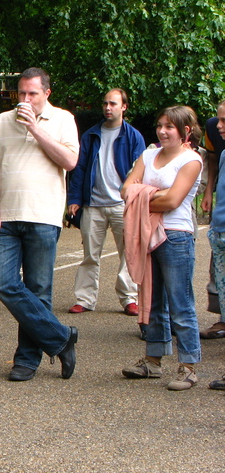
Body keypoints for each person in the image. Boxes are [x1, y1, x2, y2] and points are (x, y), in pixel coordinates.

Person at [0, 67, 79, 382]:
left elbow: (69, 161)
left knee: (39, 290)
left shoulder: (63, 119)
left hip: (43, 216)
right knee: (4, 283)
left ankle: (26, 360)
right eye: (20, 93)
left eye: (32, 94)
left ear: (46, 93)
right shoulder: (2, 121)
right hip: (6, 217)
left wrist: (36, 129)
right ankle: (61, 338)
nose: (24, 99)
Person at [121, 106, 203, 390]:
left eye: (170, 126)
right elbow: (125, 188)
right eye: (160, 125)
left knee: (180, 303)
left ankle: (189, 366)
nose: (162, 131)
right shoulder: (148, 154)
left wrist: (140, 197)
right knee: (153, 300)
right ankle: (153, 361)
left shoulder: (191, 160)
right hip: (148, 234)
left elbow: (173, 201)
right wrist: (151, 195)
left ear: (185, 132)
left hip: (176, 236)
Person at [66, 89, 145, 315]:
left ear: (124, 107)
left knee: (128, 253)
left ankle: (129, 298)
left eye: (113, 103)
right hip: (93, 204)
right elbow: (79, 169)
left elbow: (139, 170)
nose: (108, 108)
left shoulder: (133, 136)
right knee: (90, 255)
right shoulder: (91, 135)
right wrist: (75, 198)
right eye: (105, 104)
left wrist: (133, 197)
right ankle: (85, 298)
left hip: (122, 204)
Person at [199, 100, 225, 339]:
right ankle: (222, 319)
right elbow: (214, 161)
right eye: (219, 119)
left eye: (224, 121)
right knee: (218, 269)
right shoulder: (212, 129)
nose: (219, 125)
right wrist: (208, 192)